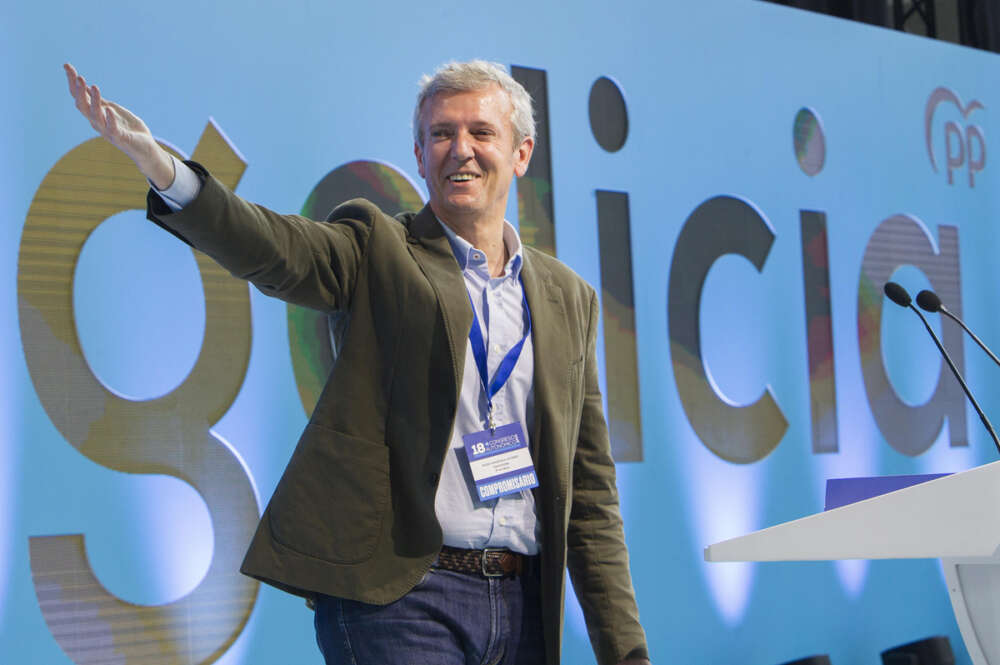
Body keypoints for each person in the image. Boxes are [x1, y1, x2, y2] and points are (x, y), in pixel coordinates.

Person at [64, 60, 650, 665]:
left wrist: (626, 650)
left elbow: (590, 495)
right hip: (401, 598)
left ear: (522, 153)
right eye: (441, 134)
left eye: (481, 132)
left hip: (524, 602)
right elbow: (274, 247)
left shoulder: (567, 297)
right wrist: (166, 172)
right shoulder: (377, 245)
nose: (460, 150)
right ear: (419, 156)